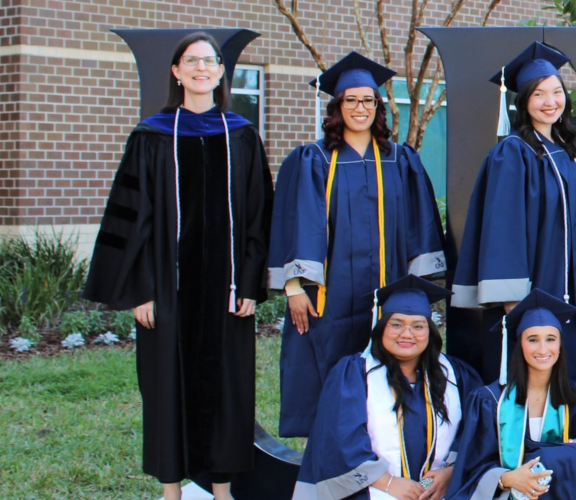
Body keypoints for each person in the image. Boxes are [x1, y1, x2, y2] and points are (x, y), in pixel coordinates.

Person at [82, 31, 272, 500]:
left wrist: (250, 282)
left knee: (228, 389)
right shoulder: (151, 136)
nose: (201, 68)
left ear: (222, 71)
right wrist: (140, 290)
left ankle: (222, 489)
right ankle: (173, 490)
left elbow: (258, 215)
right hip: (168, 290)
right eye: (192, 61)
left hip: (227, 292)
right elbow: (130, 220)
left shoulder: (243, 136)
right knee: (166, 386)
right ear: (176, 71)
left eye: (210, 61)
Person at [272, 51, 447, 438]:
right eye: (350, 100)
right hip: (329, 299)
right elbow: (294, 223)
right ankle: (331, 462)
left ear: (378, 106)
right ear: (337, 107)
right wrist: (294, 286)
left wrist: (418, 296)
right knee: (330, 375)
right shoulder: (313, 160)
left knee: (390, 375)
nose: (360, 107)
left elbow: (421, 226)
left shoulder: (401, 161)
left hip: (389, 295)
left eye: (368, 100)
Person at [455, 41, 576, 384]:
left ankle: (570, 430)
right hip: (538, 281)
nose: (550, 102)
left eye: (556, 92)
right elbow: (502, 228)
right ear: (523, 102)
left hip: (575, 285)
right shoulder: (513, 153)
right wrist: (513, 301)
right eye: (539, 94)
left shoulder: (565, 150)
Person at [294, 275, 483, 500]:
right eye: (396, 324)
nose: (406, 334)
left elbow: (476, 433)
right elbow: (339, 439)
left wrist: (450, 474)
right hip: (372, 490)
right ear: (381, 328)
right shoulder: (355, 373)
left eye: (418, 326)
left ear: (430, 332)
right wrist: (388, 482)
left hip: (440, 491)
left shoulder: (455, 375)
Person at [449, 289, 576, 500]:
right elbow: (470, 467)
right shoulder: (490, 400)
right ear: (520, 345)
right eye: (533, 339)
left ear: (560, 345)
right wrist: (507, 478)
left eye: (551, 339)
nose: (543, 349)